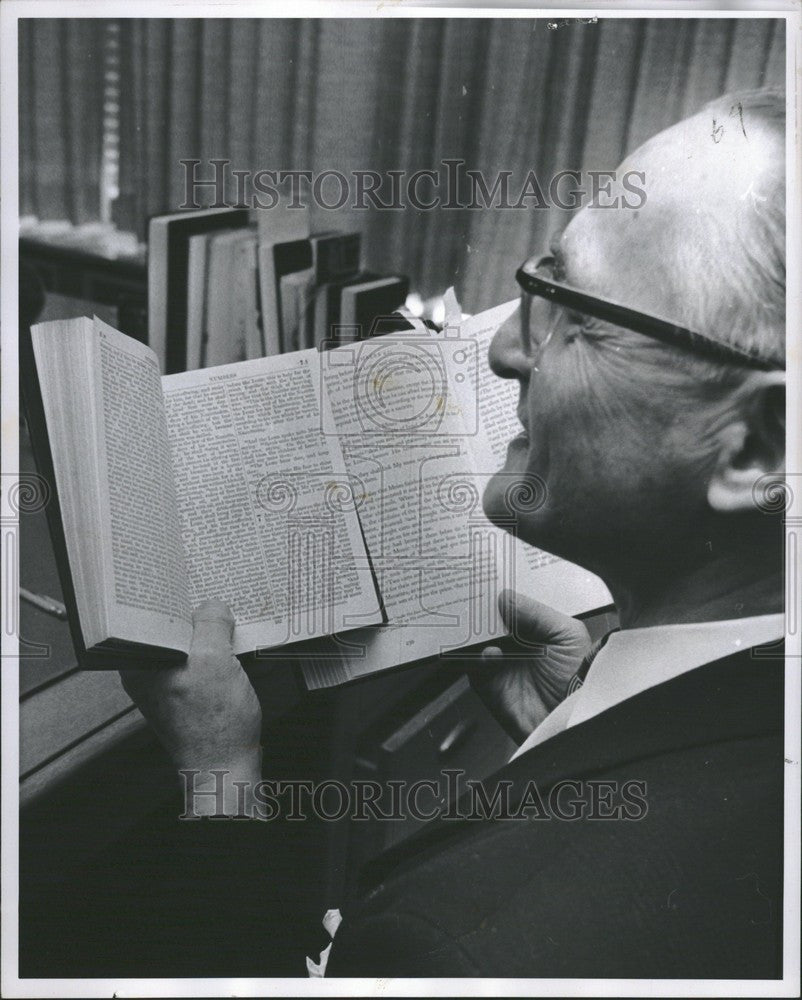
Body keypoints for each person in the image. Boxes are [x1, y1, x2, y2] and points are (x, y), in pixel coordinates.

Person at [116, 88, 787, 978]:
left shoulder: (461, 944)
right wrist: (578, 726)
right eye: (540, 277)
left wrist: (221, 773)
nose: (506, 348)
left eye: (572, 313)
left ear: (758, 449)